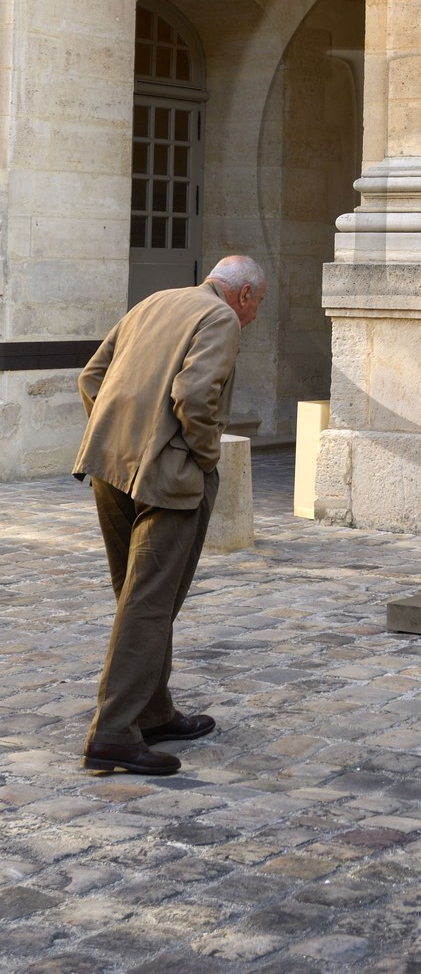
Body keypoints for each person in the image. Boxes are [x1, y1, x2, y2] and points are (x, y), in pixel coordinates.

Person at [73, 255, 267, 775]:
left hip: (109, 468)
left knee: (136, 598)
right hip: (169, 480)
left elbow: (91, 376)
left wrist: (117, 433)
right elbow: (194, 396)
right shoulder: (221, 317)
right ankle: (112, 733)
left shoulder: (154, 301)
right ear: (243, 294)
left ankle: (153, 712)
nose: (254, 316)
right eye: (259, 305)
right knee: (150, 604)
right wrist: (204, 458)